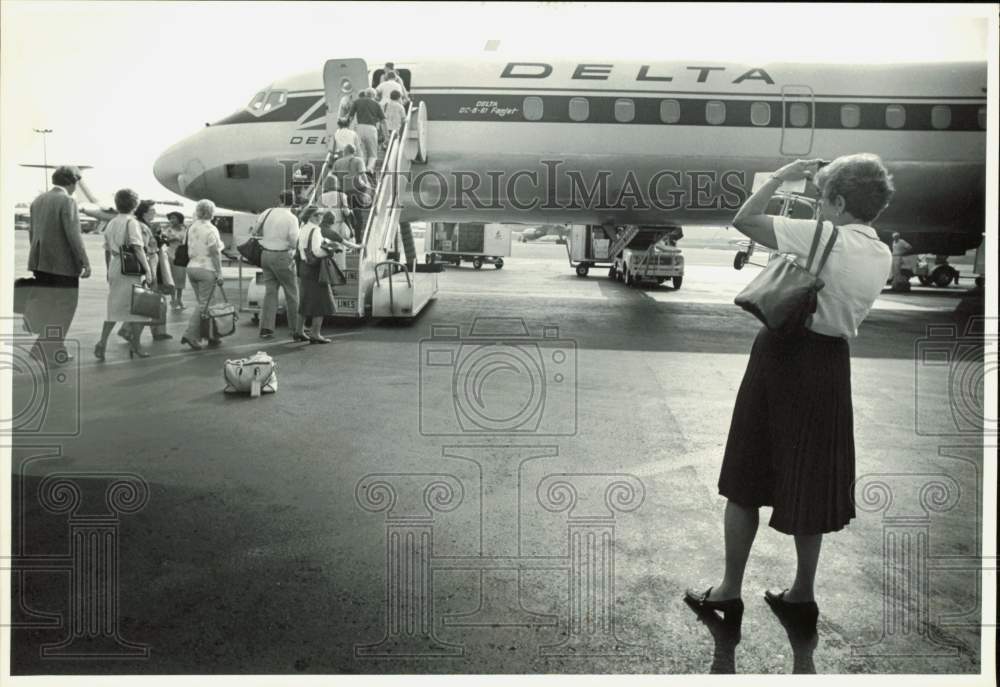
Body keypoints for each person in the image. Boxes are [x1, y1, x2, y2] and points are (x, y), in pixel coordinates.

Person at [684, 154, 893, 629]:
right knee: (812, 483)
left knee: (745, 479)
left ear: (839, 201)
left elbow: (745, 220)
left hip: (783, 357)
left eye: (823, 200)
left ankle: (728, 591)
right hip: (830, 365)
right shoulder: (881, 252)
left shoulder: (825, 235)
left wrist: (781, 176)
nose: (818, 209)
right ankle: (801, 595)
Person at [24, 165, 92, 365]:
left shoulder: (38, 200)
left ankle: (49, 347)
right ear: (72, 182)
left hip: (40, 263)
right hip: (62, 265)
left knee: (50, 307)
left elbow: (31, 231)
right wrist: (85, 262)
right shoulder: (67, 200)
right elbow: (73, 235)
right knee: (64, 308)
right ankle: (47, 350)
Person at [93, 189, 155, 361]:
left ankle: (102, 342)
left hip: (115, 265)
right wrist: (148, 270)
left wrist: (108, 270)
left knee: (114, 308)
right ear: (135, 205)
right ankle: (136, 346)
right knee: (138, 308)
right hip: (131, 267)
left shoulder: (111, 222)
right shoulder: (132, 222)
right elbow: (137, 247)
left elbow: (106, 249)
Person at [117, 200, 172, 343]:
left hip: (153, 263)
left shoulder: (146, 225)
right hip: (149, 264)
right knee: (149, 299)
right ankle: (129, 330)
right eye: (152, 211)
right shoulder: (141, 227)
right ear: (144, 212)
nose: (154, 213)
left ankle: (156, 331)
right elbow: (142, 247)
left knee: (152, 299)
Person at [256, 190, 306, 341]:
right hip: (282, 255)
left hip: (265, 255)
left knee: (270, 292)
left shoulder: (267, 212)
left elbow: (256, 231)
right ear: (293, 202)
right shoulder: (291, 218)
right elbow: (293, 240)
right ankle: (296, 329)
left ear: (280, 200)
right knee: (292, 292)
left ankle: (266, 328)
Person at [180, 199, 225, 350]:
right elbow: (214, 252)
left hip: (192, 267)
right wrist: (219, 272)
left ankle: (212, 336)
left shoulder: (192, 227)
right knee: (205, 304)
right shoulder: (211, 229)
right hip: (206, 268)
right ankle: (191, 334)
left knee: (205, 303)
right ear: (212, 213)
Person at [295, 207, 341, 344]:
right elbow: (316, 252)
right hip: (315, 269)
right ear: (309, 216)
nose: (319, 217)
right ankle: (315, 333)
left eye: (321, 214)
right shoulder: (315, 230)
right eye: (316, 215)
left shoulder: (303, 228)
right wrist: (330, 250)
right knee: (321, 301)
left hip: (304, 267)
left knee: (305, 300)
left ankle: (299, 331)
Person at [331, 144, 373, 237]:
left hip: (343, 191)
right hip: (356, 191)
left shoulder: (337, 162)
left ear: (344, 152)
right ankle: (358, 238)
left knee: (345, 214)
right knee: (358, 215)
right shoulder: (358, 160)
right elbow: (363, 175)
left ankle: (349, 233)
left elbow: (333, 177)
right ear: (354, 152)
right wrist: (367, 188)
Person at [346, 89, 385, 173]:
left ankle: (361, 169)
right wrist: (386, 135)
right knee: (373, 153)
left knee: (360, 151)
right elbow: (383, 120)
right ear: (374, 95)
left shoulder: (357, 102)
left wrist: (347, 128)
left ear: (365, 94)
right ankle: (369, 169)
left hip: (359, 128)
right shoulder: (377, 104)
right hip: (371, 128)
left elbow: (350, 117)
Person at [163, 211, 188, 309]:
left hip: (181, 255)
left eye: (174, 218)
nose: (171, 220)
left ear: (179, 219)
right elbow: (164, 239)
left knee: (181, 277)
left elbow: (186, 240)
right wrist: (170, 239)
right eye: (170, 218)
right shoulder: (168, 229)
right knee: (172, 278)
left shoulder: (185, 229)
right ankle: (173, 300)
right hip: (170, 254)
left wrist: (177, 238)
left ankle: (180, 300)